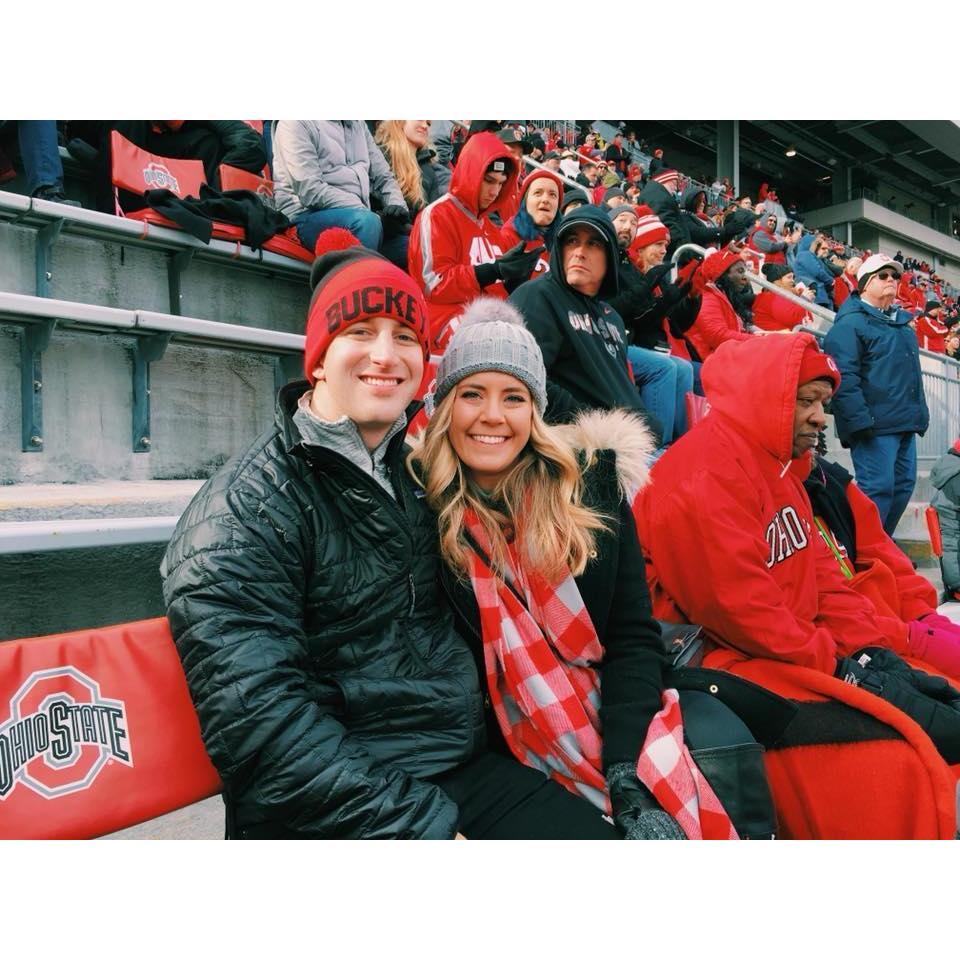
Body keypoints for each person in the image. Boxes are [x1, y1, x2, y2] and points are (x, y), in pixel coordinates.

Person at [162, 228, 643, 840]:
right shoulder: (244, 512)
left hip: (451, 765)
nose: (385, 354)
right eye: (359, 333)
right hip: (331, 803)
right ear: (318, 357)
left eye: (406, 336)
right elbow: (264, 727)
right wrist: (425, 831)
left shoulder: (419, 481)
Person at [408, 298, 778, 840]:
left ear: (535, 411)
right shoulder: (419, 509)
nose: (493, 416)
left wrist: (626, 769)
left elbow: (632, 637)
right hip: (501, 758)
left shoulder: (593, 491)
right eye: (472, 394)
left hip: (616, 723)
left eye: (514, 397)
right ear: (444, 407)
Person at [635, 332, 960, 838]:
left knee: (941, 705)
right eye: (805, 401)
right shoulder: (700, 474)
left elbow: (823, 578)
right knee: (896, 758)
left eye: (823, 403)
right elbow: (743, 613)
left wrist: (872, 649)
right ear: (762, 396)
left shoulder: (782, 465)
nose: (819, 417)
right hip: (719, 659)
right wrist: (838, 665)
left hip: (789, 647)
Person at [508, 204, 661, 438]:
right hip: (579, 442)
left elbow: (620, 389)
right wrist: (594, 426)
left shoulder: (612, 318)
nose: (579, 251)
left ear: (609, 257)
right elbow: (524, 379)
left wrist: (642, 424)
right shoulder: (537, 296)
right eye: (571, 241)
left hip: (626, 437)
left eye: (593, 243)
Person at [824, 254, 929, 536]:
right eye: (883, 276)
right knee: (877, 490)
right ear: (865, 284)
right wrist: (860, 421)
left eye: (895, 276)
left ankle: (880, 546)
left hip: (903, 422)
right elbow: (844, 377)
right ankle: (864, 553)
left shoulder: (899, 324)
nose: (892, 281)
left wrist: (920, 414)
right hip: (873, 426)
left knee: (902, 488)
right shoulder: (849, 324)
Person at [408, 131, 541, 354]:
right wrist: (490, 271)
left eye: (501, 183)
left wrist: (514, 282)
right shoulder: (437, 215)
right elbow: (433, 284)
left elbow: (493, 290)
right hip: (442, 322)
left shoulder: (490, 227)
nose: (495, 191)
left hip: (488, 320)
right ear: (472, 173)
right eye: (489, 181)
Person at [606, 205, 695, 445]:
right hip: (616, 340)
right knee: (665, 368)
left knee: (684, 368)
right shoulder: (616, 263)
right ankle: (655, 446)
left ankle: (680, 443)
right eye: (659, 245)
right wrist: (652, 290)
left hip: (645, 341)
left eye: (633, 223)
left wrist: (692, 295)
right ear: (642, 245)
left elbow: (676, 324)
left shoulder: (640, 271)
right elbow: (629, 314)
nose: (664, 250)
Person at [273, 120, 410, 265]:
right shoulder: (295, 122)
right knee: (366, 223)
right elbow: (310, 190)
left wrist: (397, 210)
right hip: (304, 216)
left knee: (414, 248)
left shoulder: (358, 124)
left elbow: (384, 177)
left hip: (362, 219)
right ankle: (357, 286)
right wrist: (372, 215)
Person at [669, 246, 753, 363]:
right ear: (722, 274)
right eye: (740, 271)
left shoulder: (722, 294)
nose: (745, 278)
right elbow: (718, 336)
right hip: (710, 361)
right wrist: (757, 340)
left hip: (726, 354)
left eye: (745, 271)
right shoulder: (707, 296)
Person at [498, 168, 563, 279]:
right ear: (525, 201)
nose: (545, 200)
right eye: (538, 193)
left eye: (553, 195)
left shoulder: (563, 243)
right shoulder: (507, 237)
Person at [374, 120, 446, 216]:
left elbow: (431, 220)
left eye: (428, 123)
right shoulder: (378, 156)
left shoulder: (428, 170)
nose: (425, 126)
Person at [752, 263, 812, 331]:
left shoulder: (782, 296)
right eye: (789, 277)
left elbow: (808, 321)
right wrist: (803, 300)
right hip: (775, 338)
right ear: (777, 281)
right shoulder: (770, 297)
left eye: (793, 278)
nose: (793, 281)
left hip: (783, 336)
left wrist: (800, 299)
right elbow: (793, 320)